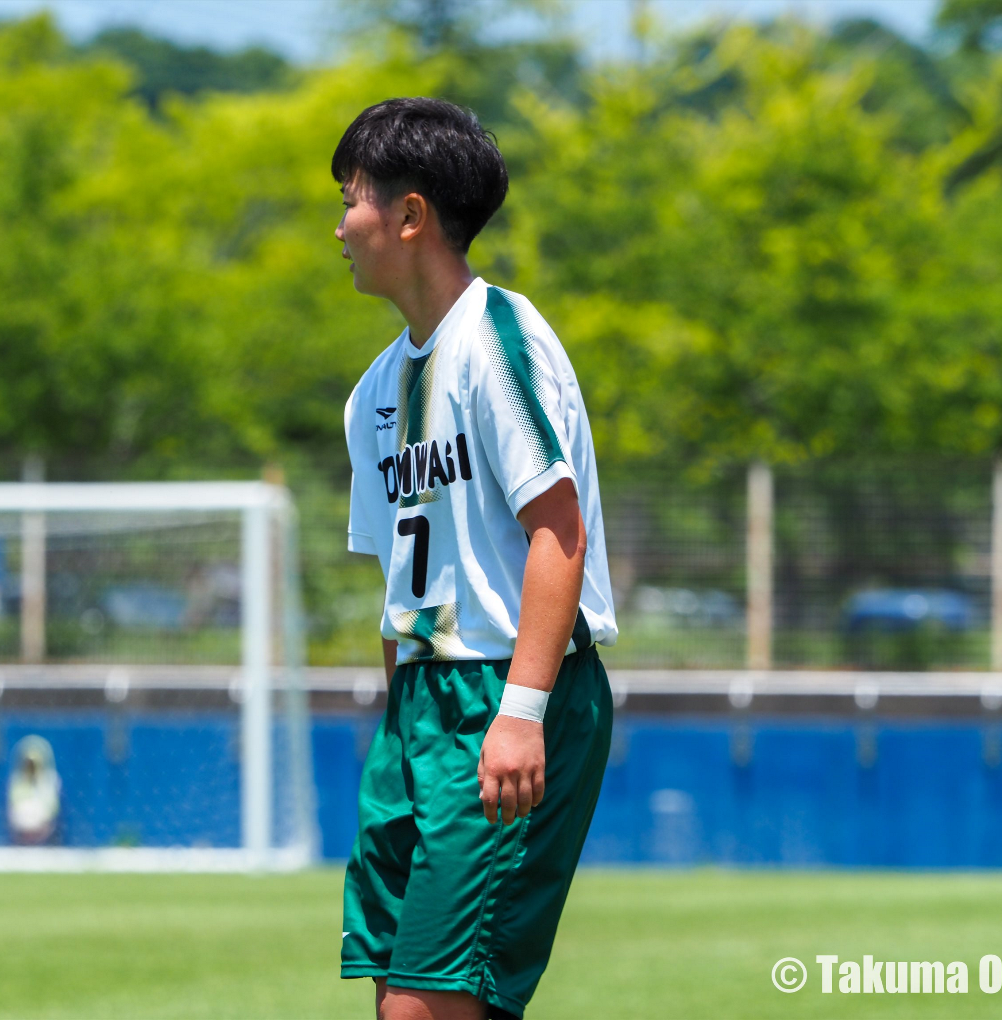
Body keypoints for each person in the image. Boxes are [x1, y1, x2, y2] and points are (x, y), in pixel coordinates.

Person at [334, 97, 617, 1020]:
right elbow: (397, 590)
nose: (339, 226)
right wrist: (397, 731)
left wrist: (521, 714)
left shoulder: (498, 341)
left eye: (351, 200)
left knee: (434, 1008)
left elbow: (557, 530)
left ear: (410, 216)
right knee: (394, 996)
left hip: (505, 694)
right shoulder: (372, 392)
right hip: (420, 706)